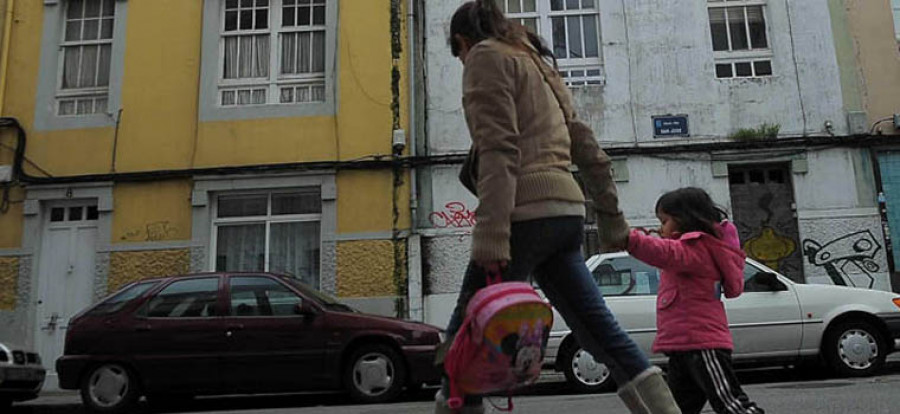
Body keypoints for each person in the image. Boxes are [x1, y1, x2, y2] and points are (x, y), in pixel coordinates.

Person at [434, 1, 681, 413]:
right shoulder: (536, 63)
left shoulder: (484, 57)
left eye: (458, 54)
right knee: (600, 329)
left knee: (462, 341)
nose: (462, 61)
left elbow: (499, 149)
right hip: (565, 214)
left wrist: (492, 234)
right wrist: (611, 217)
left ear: (462, 41)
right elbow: (587, 146)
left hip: (522, 218)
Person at [627, 187, 765, 414]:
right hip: (683, 347)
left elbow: (665, 252)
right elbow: (665, 249)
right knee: (673, 409)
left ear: (684, 219)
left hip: (702, 345)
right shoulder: (690, 249)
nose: (661, 228)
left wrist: (630, 240)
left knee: (732, 405)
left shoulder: (698, 248)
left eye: (664, 221)